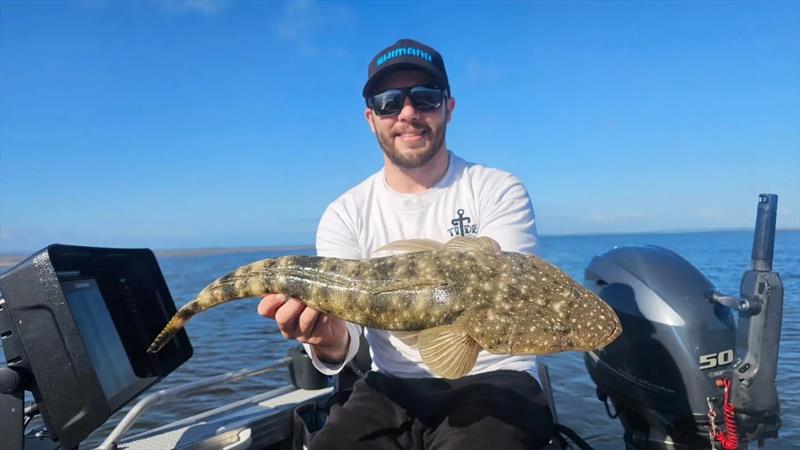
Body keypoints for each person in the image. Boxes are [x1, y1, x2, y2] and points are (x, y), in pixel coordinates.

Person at [258, 38, 554, 450]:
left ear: (448, 106)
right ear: (370, 117)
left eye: (426, 98)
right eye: (389, 101)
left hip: (495, 377)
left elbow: (510, 304)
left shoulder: (495, 189)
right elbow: (347, 341)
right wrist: (327, 338)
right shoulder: (345, 213)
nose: (408, 113)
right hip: (390, 386)